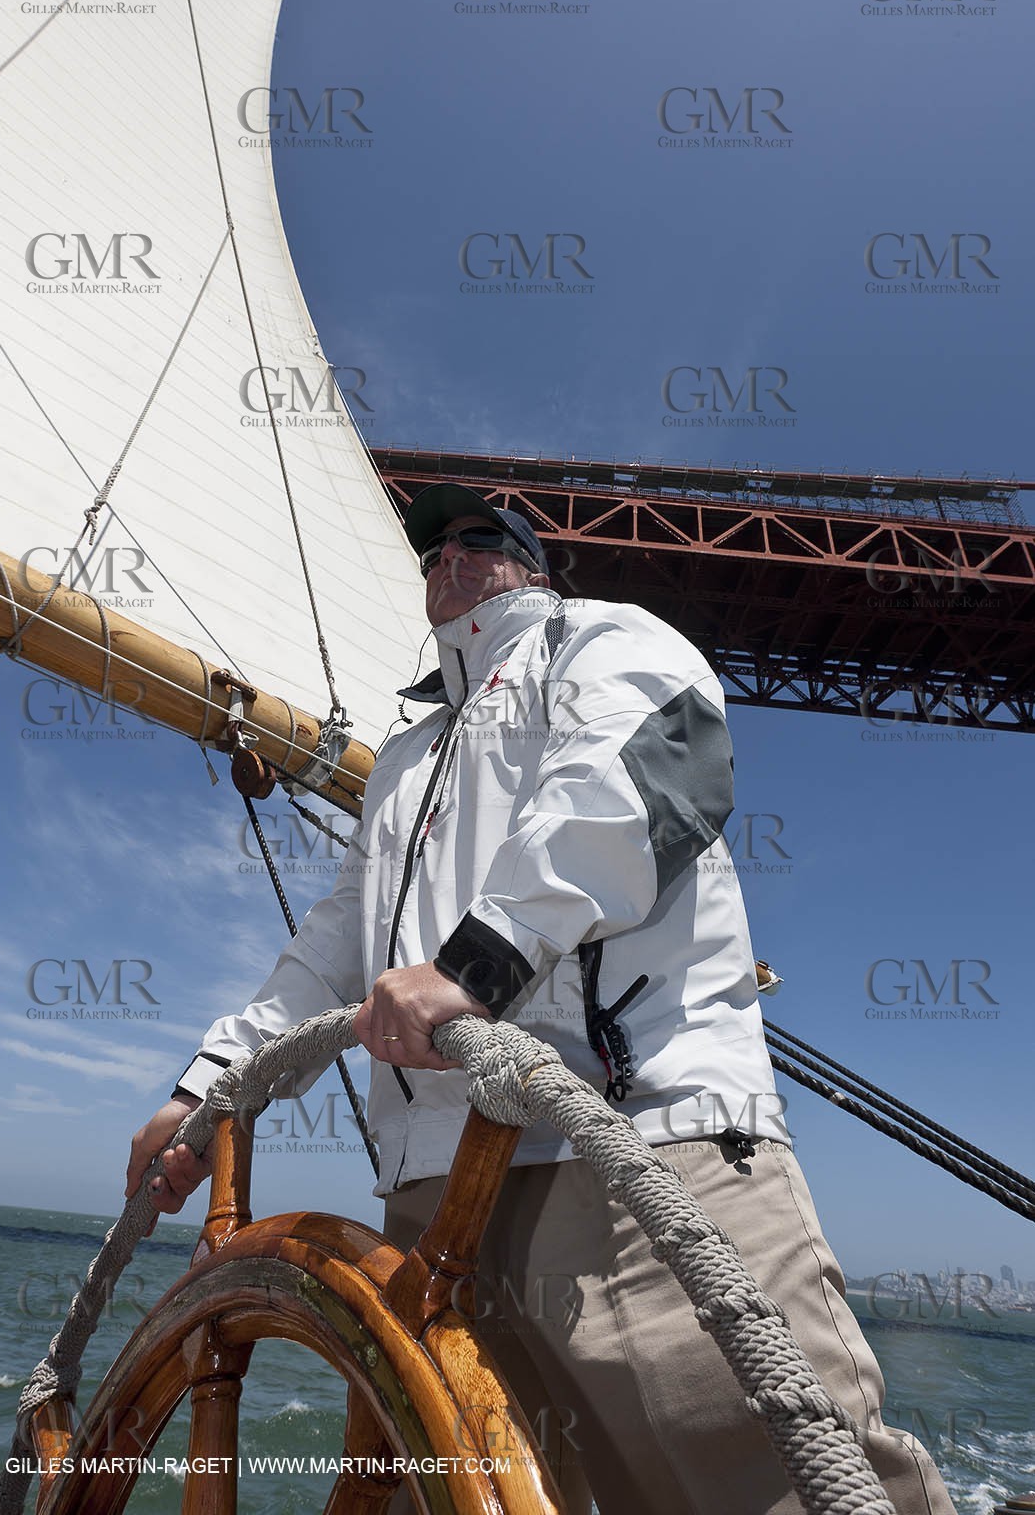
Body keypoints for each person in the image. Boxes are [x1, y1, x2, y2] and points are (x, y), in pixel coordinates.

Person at [127, 485, 957, 1515]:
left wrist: (472, 965)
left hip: (625, 1147)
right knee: (499, 1485)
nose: (452, 558)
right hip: (434, 1193)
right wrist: (205, 1091)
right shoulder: (403, 758)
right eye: (434, 550)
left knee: (751, 1474)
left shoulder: (601, 641)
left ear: (534, 565)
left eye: (483, 540)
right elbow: (331, 944)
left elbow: (657, 772)